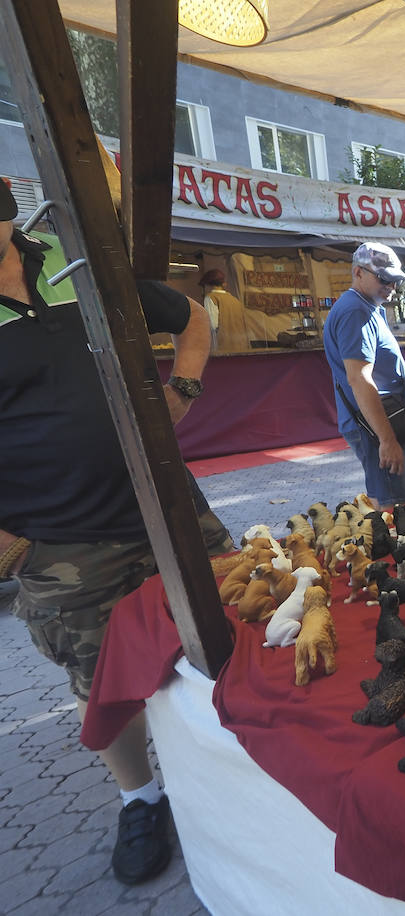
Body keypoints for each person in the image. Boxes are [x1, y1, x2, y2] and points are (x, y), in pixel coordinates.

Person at [0, 178, 233, 886]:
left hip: (167, 503)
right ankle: (141, 796)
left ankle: (241, 759)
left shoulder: (79, 261)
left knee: (235, 630)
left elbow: (193, 317)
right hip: (60, 540)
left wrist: (182, 391)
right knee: (101, 679)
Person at [322, 242, 405, 508]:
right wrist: (386, 438)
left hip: (380, 423)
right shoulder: (355, 311)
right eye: (383, 278)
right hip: (375, 426)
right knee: (395, 509)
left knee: (389, 501)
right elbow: (359, 379)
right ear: (358, 272)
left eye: (394, 280)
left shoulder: (367, 306)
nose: (390, 286)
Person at [197, 267, 250, 353]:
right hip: (242, 348)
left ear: (207, 284)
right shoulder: (235, 300)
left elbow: (212, 325)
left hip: (223, 348)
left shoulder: (210, 297)